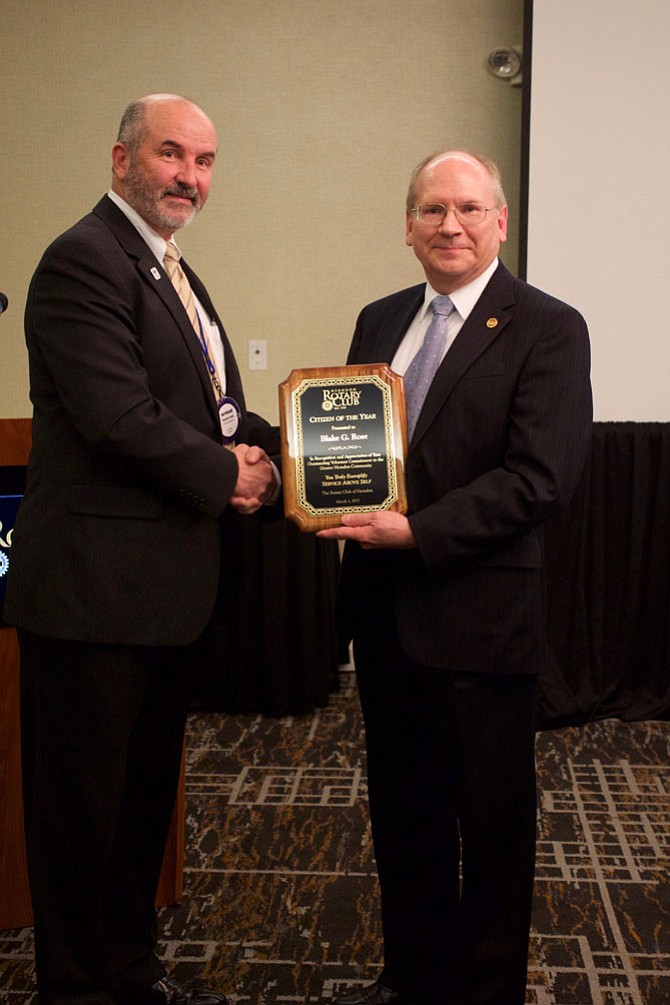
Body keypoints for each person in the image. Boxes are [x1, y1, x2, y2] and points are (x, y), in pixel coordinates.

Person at [4, 94, 279, 1005]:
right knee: (79, 816)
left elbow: (217, 415)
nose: (190, 177)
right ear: (121, 159)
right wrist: (229, 476)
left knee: (136, 810)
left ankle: (127, 969)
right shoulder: (83, 259)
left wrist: (302, 453)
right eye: (171, 155)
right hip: (91, 600)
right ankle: (76, 987)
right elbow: (120, 417)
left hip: (161, 601)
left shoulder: (173, 271)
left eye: (204, 161)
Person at [318, 150, 593, 1005]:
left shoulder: (548, 326)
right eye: (433, 210)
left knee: (494, 828)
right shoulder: (378, 318)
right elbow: (356, 447)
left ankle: (483, 991)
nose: (451, 225)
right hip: (385, 619)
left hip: (480, 624)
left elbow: (539, 478)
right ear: (408, 226)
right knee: (405, 818)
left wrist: (418, 530)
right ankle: (414, 977)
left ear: (500, 223)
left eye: (470, 209)